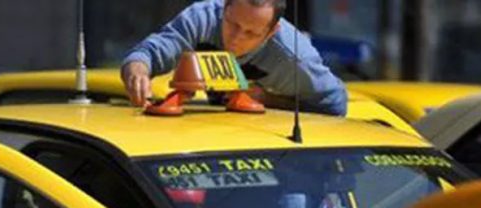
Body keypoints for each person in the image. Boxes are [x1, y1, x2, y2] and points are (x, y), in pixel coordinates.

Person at [121, 0, 348, 116]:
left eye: (251, 33)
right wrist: (137, 70)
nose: (237, 38)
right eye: (232, 24)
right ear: (225, 7)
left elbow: (335, 105)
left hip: (275, 152)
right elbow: (151, 52)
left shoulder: (294, 59)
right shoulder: (202, 19)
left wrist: (268, 100)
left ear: (271, 32)